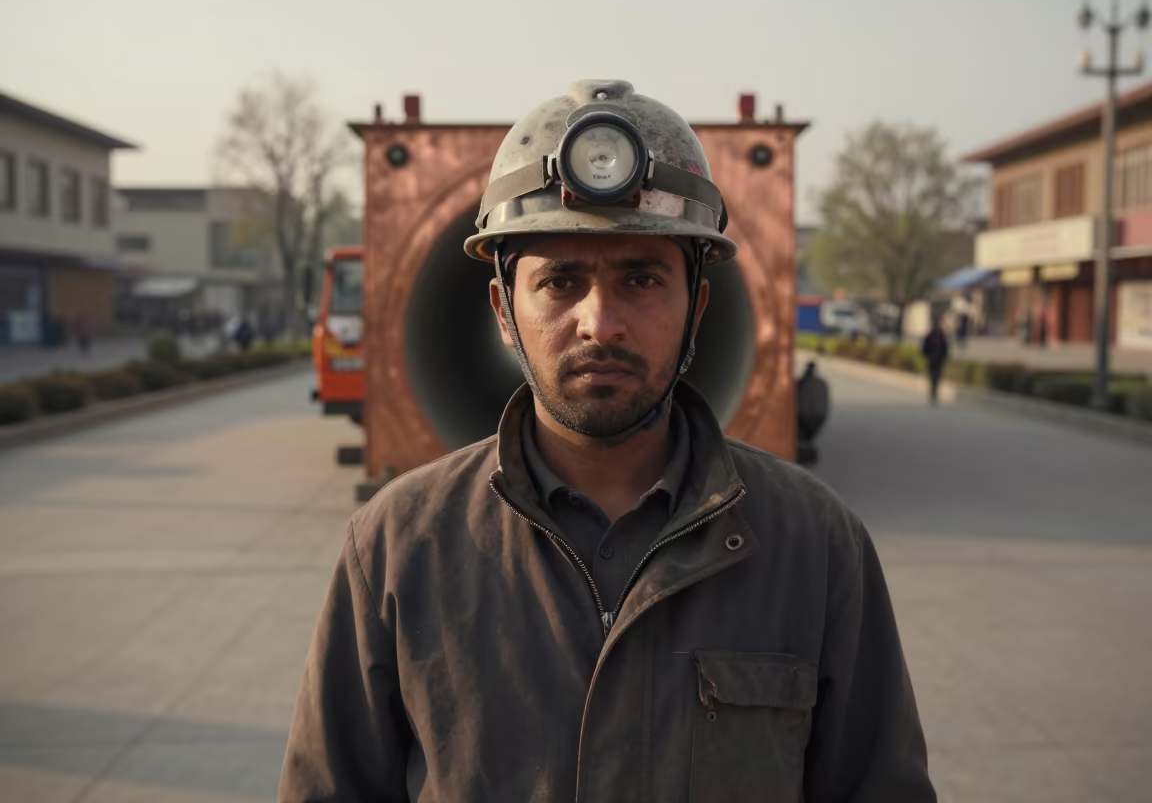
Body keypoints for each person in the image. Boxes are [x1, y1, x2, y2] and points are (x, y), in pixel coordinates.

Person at [279, 80, 934, 803]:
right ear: (503, 309)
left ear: (698, 306)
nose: (601, 323)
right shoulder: (399, 550)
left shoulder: (814, 545)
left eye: (643, 278)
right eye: (561, 281)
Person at [796, 360, 830, 466]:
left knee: (803, 436)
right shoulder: (821, 383)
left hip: (803, 413)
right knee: (807, 436)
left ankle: (802, 455)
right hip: (818, 415)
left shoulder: (801, 382)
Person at [921, 317, 949, 404]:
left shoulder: (942, 335)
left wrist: (944, 356)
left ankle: (935, 393)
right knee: (932, 377)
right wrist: (928, 355)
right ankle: (933, 393)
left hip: (939, 359)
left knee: (937, 377)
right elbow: (925, 347)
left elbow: (945, 347)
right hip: (932, 359)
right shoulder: (930, 335)